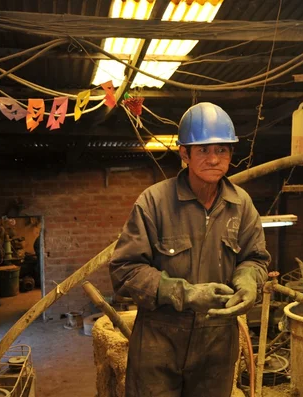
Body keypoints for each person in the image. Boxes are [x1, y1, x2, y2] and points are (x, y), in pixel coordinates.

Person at [109, 102, 270, 397]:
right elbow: (125, 270)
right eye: (203, 150)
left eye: (221, 149)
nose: (213, 159)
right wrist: (185, 293)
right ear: (184, 154)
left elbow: (255, 258)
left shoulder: (241, 204)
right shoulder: (154, 202)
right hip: (160, 343)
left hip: (217, 345)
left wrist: (248, 280)